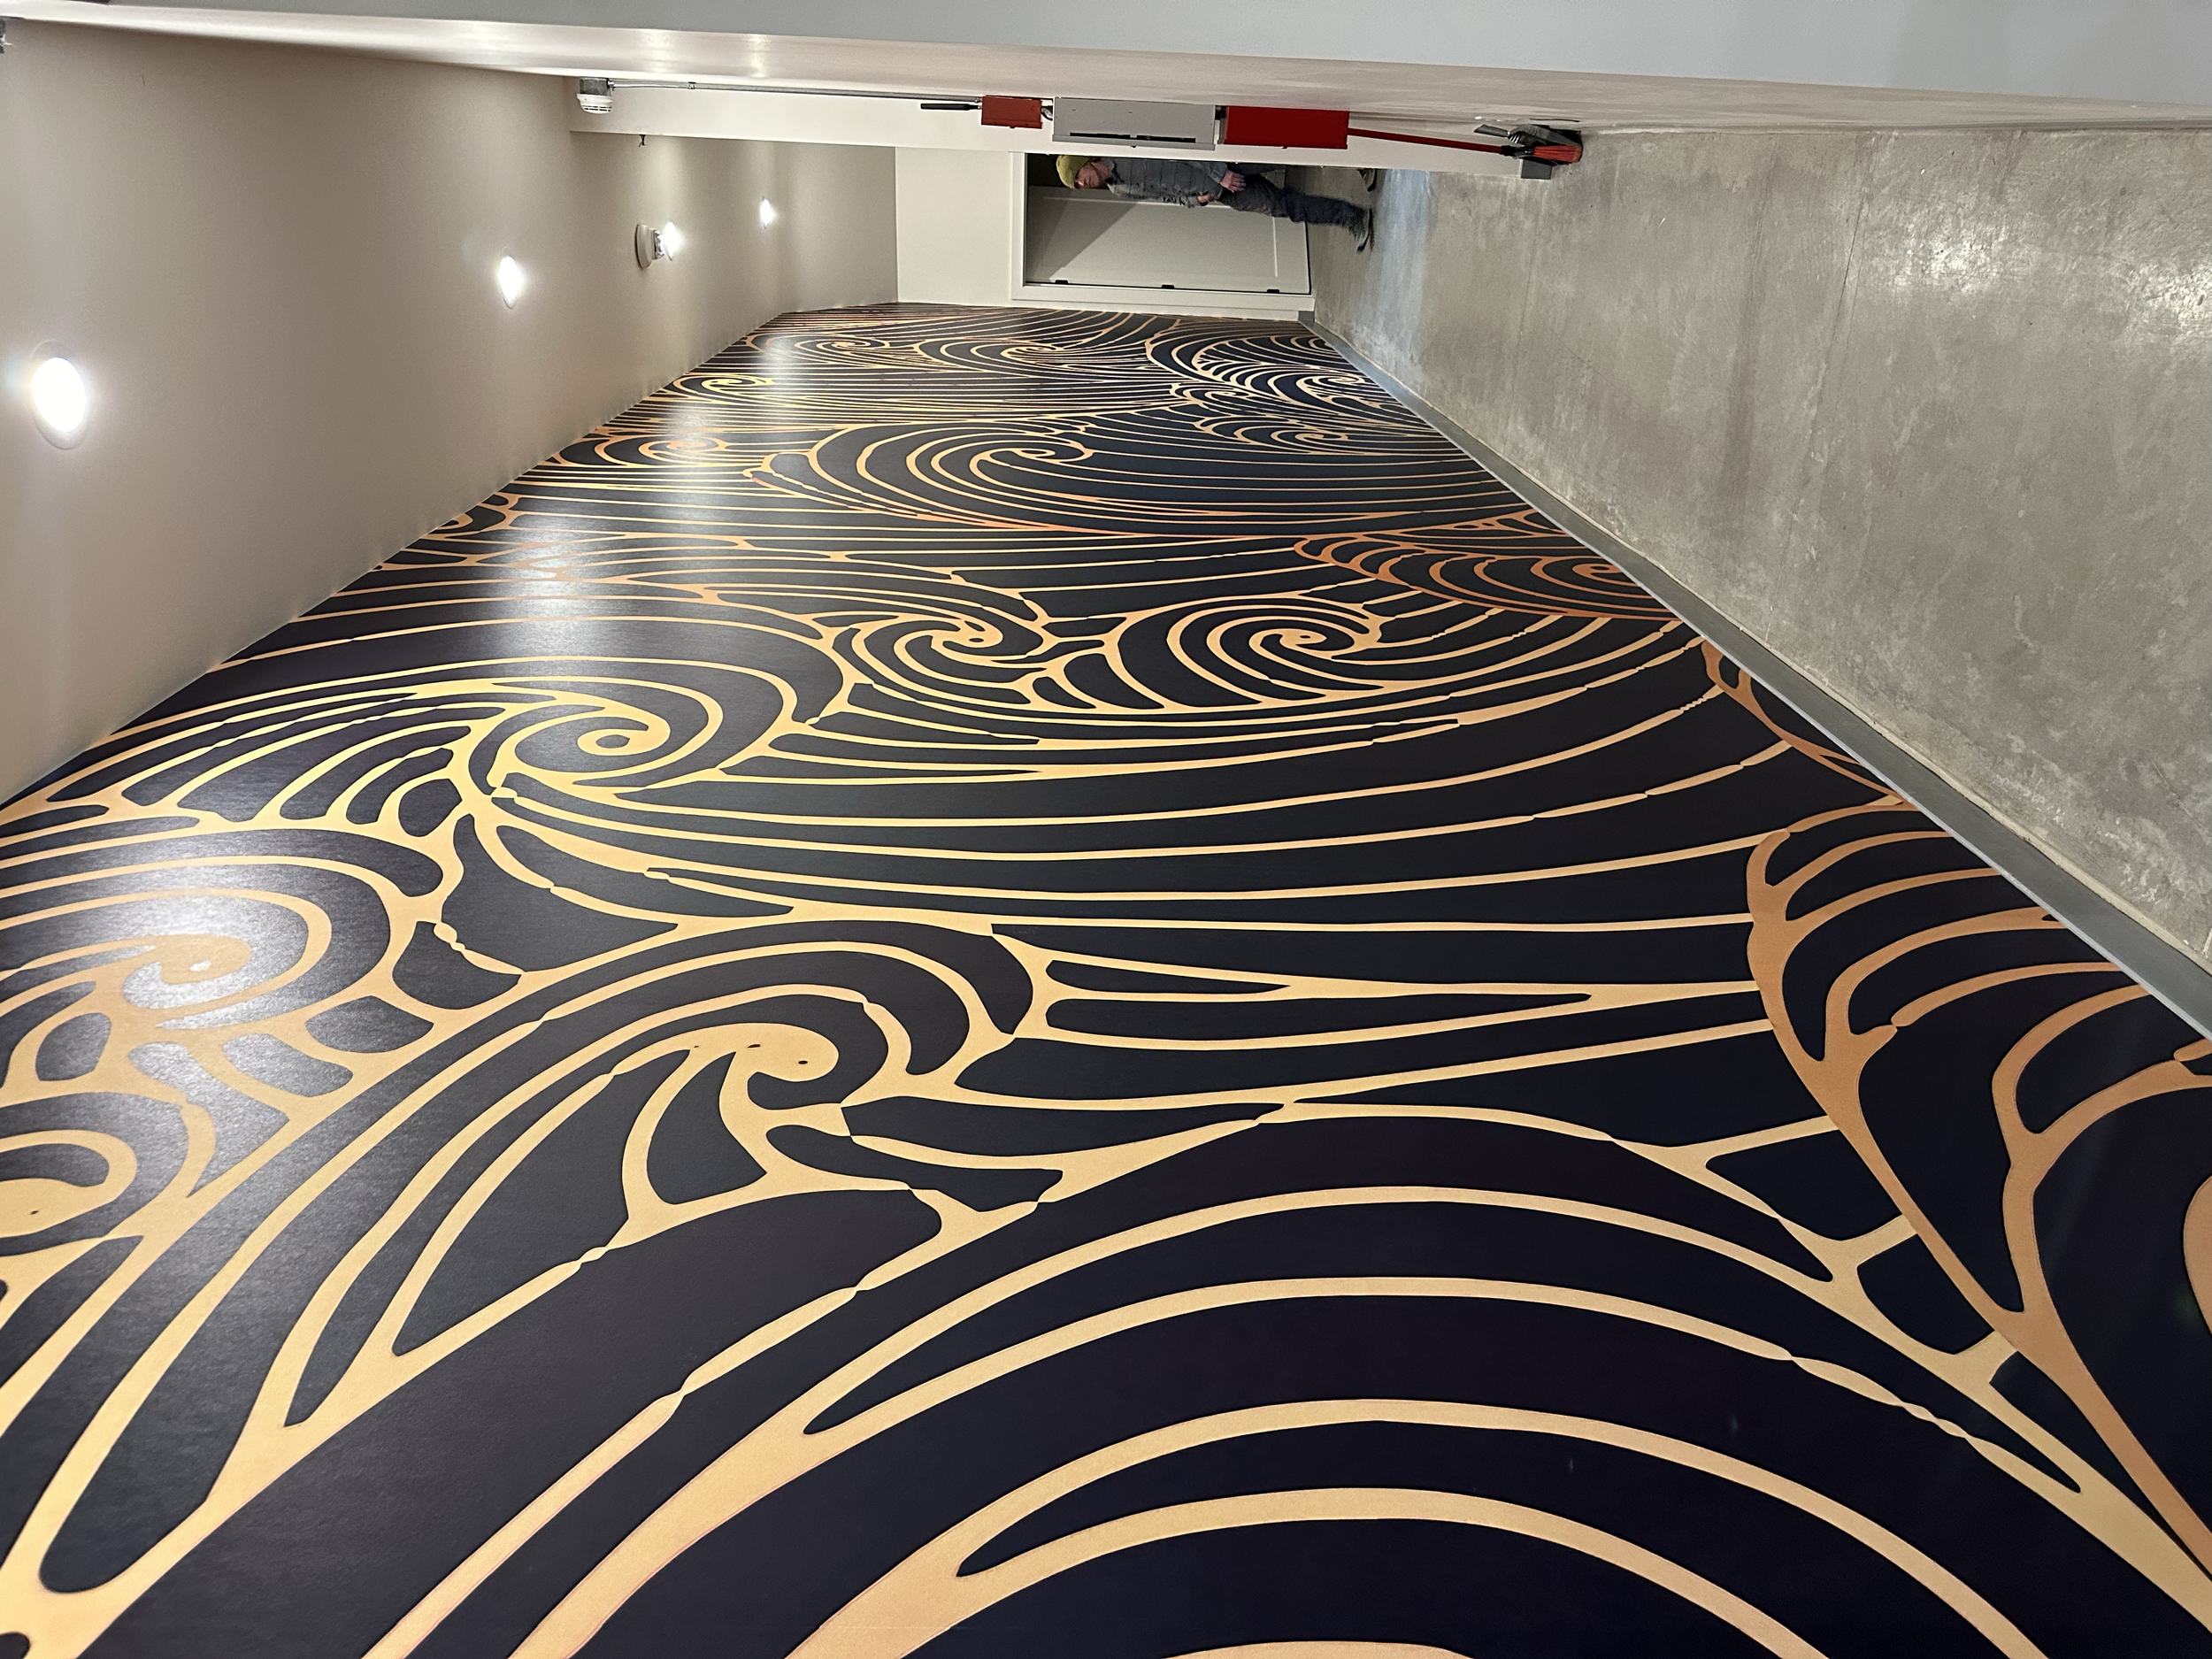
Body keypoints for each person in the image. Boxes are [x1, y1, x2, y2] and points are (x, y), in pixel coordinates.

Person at [1056, 153, 1372, 250]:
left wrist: (1218, 172)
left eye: (1078, 177)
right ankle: (1352, 218)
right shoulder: (1119, 189)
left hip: (1227, 165)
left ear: (1083, 162)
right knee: (1285, 207)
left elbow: (1177, 152)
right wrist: (1196, 200)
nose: (1082, 184)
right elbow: (1166, 196)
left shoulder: (1122, 151)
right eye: (1077, 186)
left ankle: (1362, 158)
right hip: (1223, 193)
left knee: (1289, 152)